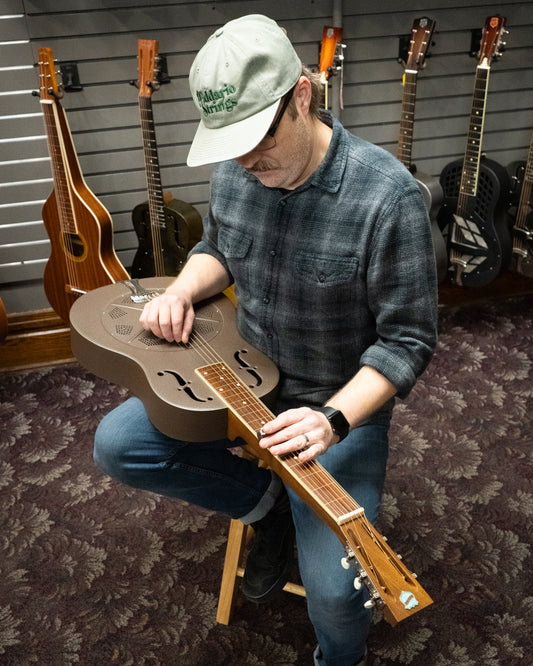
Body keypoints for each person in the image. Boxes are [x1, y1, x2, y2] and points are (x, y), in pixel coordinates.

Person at [94, 14, 438, 666]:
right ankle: (267, 504)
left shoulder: (387, 197)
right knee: (117, 444)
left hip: (334, 407)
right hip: (238, 376)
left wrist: (333, 420)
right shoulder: (237, 169)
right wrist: (181, 290)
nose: (248, 161)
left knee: (337, 598)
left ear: (301, 95)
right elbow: (217, 247)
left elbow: (407, 341)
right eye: (232, 145)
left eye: (259, 137)